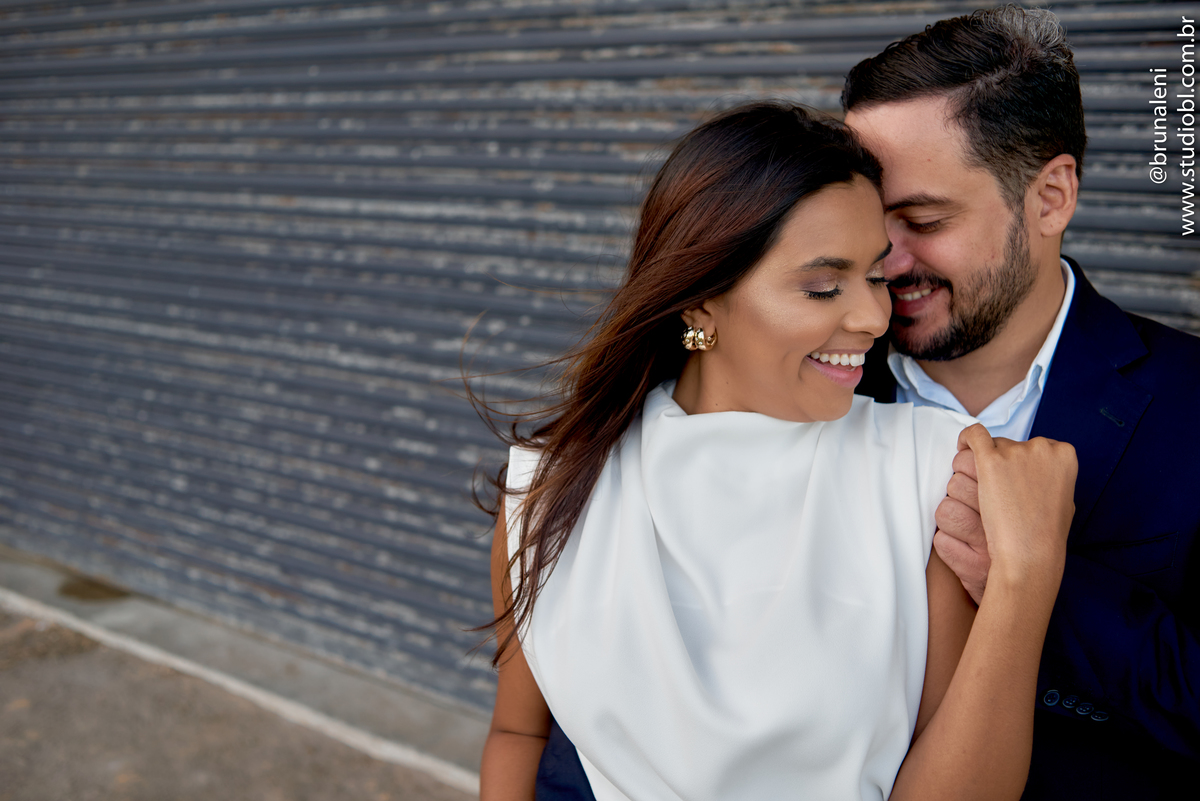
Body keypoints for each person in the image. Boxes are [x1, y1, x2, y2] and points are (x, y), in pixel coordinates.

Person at [477, 102, 1077, 801]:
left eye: (876, 276)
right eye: (824, 285)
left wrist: (1024, 581)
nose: (873, 317)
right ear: (699, 300)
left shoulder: (927, 469)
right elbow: (518, 733)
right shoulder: (553, 489)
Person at [840, 5, 1200, 798]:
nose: (884, 259)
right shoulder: (805, 384)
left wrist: (1037, 576)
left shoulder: (1190, 403)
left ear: (1051, 196)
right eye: (869, 219)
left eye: (924, 219)